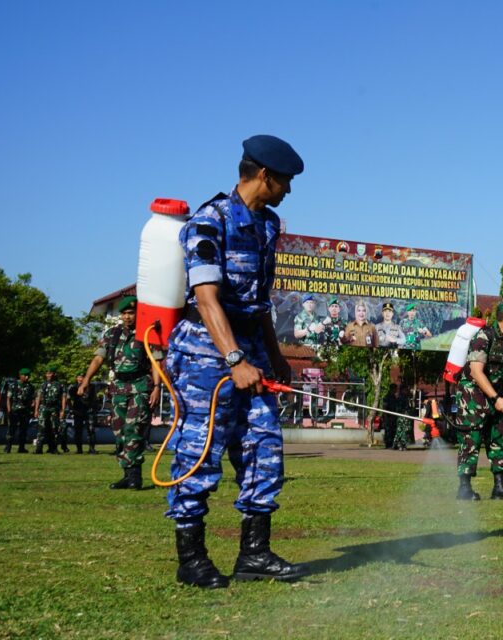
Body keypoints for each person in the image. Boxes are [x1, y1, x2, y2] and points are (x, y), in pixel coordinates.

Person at [162, 134, 308, 589]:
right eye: (284, 180)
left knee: (264, 447)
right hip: (207, 352)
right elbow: (206, 299)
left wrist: (274, 355)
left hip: (252, 350)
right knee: (199, 451)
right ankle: (192, 559)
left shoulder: (268, 224)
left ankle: (255, 554)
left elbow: (259, 300)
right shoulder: (209, 222)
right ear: (263, 174)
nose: (288, 189)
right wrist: (234, 360)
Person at [80, 296, 161, 485]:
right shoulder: (111, 335)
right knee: (119, 431)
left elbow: (156, 362)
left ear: (137, 314)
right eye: (124, 313)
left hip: (140, 385)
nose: (127, 317)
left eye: (131, 313)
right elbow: (98, 359)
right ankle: (127, 473)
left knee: (134, 428)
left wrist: (157, 387)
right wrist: (86, 380)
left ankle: (135, 476)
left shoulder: (146, 333)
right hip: (118, 387)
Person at [453, 301, 503, 501]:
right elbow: (476, 371)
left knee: (500, 435)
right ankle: (464, 488)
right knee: (471, 439)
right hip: (473, 396)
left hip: (498, 395)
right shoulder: (484, 336)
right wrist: (495, 398)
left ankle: (500, 488)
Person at [34, 365, 68, 454]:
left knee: (54, 428)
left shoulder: (60, 385)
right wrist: (36, 410)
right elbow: (38, 397)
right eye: (47, 373)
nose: (48, 375)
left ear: (54, 374)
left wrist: (63, 410)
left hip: (54, 408)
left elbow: (64, 398)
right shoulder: (43, 384)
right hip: (44, 407)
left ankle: (54, 448)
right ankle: (39, 448)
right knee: (41, 428)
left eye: (50, 373)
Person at [4, 368, 35, 453]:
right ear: (20, 376)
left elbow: (32, 399)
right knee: (11, 429)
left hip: (25, 411)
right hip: (15, 411)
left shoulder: (30, 387)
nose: (27, 378)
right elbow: (8, 399)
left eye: (28, 376)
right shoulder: (13, 385)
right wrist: (9, 410)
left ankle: (21, 448)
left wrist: (32, 406)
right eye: (25, 376)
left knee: (23, 430)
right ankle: (8, 447)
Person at [68, 374, 98, 454]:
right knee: (78, 431)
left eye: (82, 377)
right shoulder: (73, 387)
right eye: (79, 377)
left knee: (91, 430)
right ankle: (79, 449)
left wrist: (94, 408)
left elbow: (94, 398)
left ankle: (91, 449)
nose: (80, 379)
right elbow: (69, 399)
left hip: (89, 410)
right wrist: (72, 409)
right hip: (78, 411)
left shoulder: (91, 387)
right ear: (76, 378)